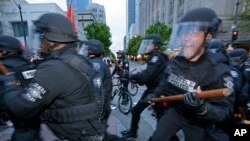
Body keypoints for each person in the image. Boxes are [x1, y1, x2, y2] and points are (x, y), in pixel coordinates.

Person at [0, 13, 106, 141]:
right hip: (88, 131)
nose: (39, 44)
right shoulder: (77, 60)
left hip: (78, 136)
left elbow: (20, 108)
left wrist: (9, 81)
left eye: (41, 38)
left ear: (51, 39)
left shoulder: (54, 68)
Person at [149, 7, 235, 141]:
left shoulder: (218, 70)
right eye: (184, 32)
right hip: (175, 112)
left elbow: (225, 111)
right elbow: (165, 82)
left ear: (208, 36)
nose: (187, 38)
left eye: (194, 32)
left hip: (197, 121)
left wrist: (202, 107)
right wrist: (154, 94)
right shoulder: (175, 62)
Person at [121, 34, 168, 139]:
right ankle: (133, 133)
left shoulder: (157, 57)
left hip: (158, 92)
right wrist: (135, 78)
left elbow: (147, 75)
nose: (146, 46)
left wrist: (130, 76)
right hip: (152, 90)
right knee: (136, 111)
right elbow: (144, 74)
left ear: (156, 46)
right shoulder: (151, 56)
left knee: (161, 118)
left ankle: (165, 137)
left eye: (148, 44)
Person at [0, 35, 40, 141]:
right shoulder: (30, 65)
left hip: (16, 114)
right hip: (35, 112)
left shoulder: (4, 67)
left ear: (3, 51)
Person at [78, 39, 112, 127]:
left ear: (91, 51)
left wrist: (98, 114)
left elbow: (97, 90)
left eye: (85, 49)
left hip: (97, 109)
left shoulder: (96, 64)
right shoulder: (94, 62)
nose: (83, 51)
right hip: (98, 107)